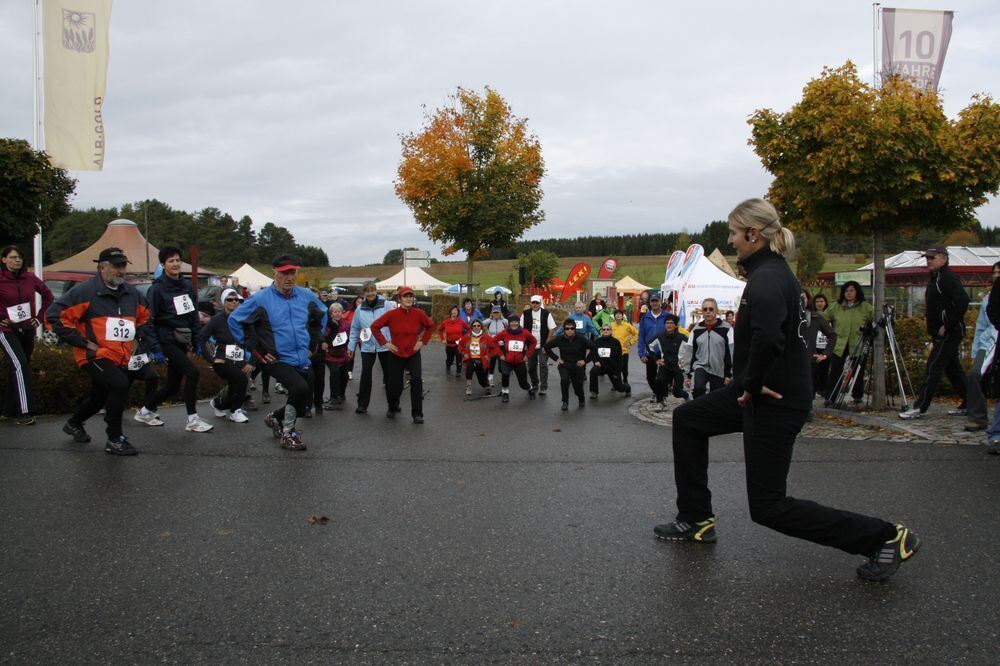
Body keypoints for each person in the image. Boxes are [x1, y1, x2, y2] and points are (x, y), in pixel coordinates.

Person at [655, 198, 919, 583]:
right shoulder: (773, 273)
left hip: (773, 400)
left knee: (768, 507)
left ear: (753, 234)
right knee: (689, 418)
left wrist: (752, 382)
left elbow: (768, 338)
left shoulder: (765, 279)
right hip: (761, 392)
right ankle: (695, 518)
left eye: (733, 233)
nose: (730, 241)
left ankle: (886, 537)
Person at [46, 247, 156, 455]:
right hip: (93, 355)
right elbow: (55, 315)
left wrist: (138, 338)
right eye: (116, 266)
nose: (121, 270)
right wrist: (82, 342)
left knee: (99, 397)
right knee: (119, 384)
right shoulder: (85, 291)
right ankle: (115, 439)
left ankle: (74, 423)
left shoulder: (131, 293)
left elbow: (145, 319)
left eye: (123, 266)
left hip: (120, 356)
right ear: (102, 268)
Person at [228, 254, 327, 450]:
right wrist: (256, 349)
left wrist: (313, 344)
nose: (289, 277)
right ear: (274, 272)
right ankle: (288, 434)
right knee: (298, 388)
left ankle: (275, 418)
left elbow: (321, 317)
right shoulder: (260, 299)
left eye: (293, 272)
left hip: (301, 357)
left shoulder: (306, 295)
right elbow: (234, 320)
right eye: (284, 273)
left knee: (304, 401)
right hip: (276, 358)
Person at [134, 247, 213, 433]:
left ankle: (145, 411)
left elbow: (192, 315)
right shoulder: (157, 289)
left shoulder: (186, 286)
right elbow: (149, 321)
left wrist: (197, 340)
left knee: (172, 386)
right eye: (171, 261)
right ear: (163, 265)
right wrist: (156, 348)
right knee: (192, 372)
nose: (175, 264)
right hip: (165, 339)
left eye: (177, 260)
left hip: (181, 339)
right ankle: (192, 419)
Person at [899, 247, 971, 420]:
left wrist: (948, 324)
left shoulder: (947, 277)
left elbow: (963, 300)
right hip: (940, 332)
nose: (928, 260)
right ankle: (971, 401)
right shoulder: (936, 278)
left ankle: (919, 407)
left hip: (949, 333)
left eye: (932, 257)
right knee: (953, 369)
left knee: (933, 367)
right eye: (927, 257)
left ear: (944, 259)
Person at [0, 245, 53, 425]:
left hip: (26, 329)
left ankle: (8, 410)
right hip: (6, 331)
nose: (17, 260)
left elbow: (48, 297)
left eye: (20, 257)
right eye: (13, 257)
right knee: (20, 365)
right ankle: (25, 412)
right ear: (4, 260)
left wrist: (38, 319)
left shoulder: (29, 278)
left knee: (18, 368)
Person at [370, 285, 435, 424]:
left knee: (416, 381)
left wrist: (422, 342)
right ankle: (392, 406)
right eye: (405, 296)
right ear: (400, 299)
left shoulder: (418, 314)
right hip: (396, 353)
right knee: (394, 385)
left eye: (410, 296)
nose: (408, 298)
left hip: (413, 353)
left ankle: (417, 414)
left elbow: (430, 325)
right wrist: (385, 343)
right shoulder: (392, 314)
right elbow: (374, 327)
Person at [196, 288, 251, 423]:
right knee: (240, 379)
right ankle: (235, 411)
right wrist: (211, 359)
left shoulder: (244, 319)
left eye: (236, 300)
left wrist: (252, 362)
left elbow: (255, 339)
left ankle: (218, 403)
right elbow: (201, 338)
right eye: (229, 300)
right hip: (222, 359)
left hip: (239, 359)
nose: (233, 302)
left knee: (236, 384)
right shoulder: (216, 320)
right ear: (223, 302)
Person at [823, 280, 874, 406]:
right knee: (836, 369)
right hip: (839, 342)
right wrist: (830, 332)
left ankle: (857, 395)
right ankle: (831, 396)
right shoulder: (836, 306)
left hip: (857, 341)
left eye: (851, 290)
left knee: (857, 369)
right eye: (846, 291)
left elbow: (875, 319)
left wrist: (869, 330)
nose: (848, 293)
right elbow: (823, 319)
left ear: (857, 292)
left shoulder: (865, 306)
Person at [347, 281, 395, 415]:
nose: (370, 293)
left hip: (385, 345)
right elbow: (355, 329)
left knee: (389, 376)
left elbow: (394, 323)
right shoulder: (359, 309)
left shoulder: (386, 305)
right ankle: (362, 405)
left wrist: (394, 341)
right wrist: (351, 347)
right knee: (365, 375)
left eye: (372, 290)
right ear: (364, 293)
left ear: (376, 291)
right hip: (367, 346)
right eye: (367, 291)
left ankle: (393, 405)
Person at [964, 263, 1000, 433]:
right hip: (990, 342)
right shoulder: (988, 299)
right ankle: (978, 417)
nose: (997, 275)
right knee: (975, 374)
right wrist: (976, 349)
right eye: (995, 272)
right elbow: (981, 326)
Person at [684, 298, 732, 399]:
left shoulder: (727, 329)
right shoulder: (696, 330)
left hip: (719, 368)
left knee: (717, 396)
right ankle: (699, 412)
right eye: (705, 309)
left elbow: (732, 352)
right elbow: (689, 352)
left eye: (711, 309)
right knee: (698, 389)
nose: (708, 312)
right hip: (700, 366)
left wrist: (729, 373)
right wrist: (687, 374)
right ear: (702, 311)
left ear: (716, 311)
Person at [544, 319, 596, 411]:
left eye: (572, 328)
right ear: (564, 329)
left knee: (577, 385)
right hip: (564, 364)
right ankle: (565, 402)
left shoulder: (581, 339)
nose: (569, 330)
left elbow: (594, 348)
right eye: (567, 328)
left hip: (578, 366)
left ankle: (581, 398)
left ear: (575, 329)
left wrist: (585, 361)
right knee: (564, 380)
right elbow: (547, 347)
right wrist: (556, 358)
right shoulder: (560, 339)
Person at [493, 313, 537, 402]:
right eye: (512, 322)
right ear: (509, 323)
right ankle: (505, 393)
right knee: (505, 375)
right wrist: (500, 354)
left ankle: (530, 389)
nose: (514, 324)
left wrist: (527, 355)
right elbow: (493, 341)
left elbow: (534, 342)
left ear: (519, 323)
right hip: (507, 360)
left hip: (519, 361)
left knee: (523, 384)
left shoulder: (525, 332)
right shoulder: (504, 332)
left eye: (516, 322)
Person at [802, 291, 837, 402]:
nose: (802, 300)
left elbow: (832, 335)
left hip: (810, 358)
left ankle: (807, 411)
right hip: (791, 358)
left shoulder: (815, 317)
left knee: (809, 387)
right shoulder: (788, 315)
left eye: (804, 297)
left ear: (808, 300)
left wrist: (825, 354)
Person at [521, 295, 557, 395]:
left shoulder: (546, 314)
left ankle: (543, 387)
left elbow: (552, 329)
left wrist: (547, 344)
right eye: (533, 303)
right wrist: (524, 343)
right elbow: (521, 330)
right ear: (531, 303)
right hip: (530, 346)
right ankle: (535, 383)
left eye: (537, 303)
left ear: (540, 303)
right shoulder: (525, 314)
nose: (535, 304)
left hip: (542, 345)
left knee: (543, 365)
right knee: (531, 366)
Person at [637, 294, 669, 404]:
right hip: (649, 352)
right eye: (652, 301)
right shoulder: (645, 317)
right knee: (650, 377)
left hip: (664, 351)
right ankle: (657, 392)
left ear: (660, 302)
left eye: (656, 301)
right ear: (649, 303)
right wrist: (641, 353)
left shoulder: (667, 316)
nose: (654, 303)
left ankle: (662, 395)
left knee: (663, 377)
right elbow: (641, 335)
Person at [321, 302, 352, 411]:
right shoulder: (327, 325)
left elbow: (351, 337)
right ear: (331, 314)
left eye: (339, 311)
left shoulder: (347, 324)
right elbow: (323, 337)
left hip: (343, 354)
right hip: (330, 354)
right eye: (335, 312)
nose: (337, 314)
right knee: (334, 374)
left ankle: (341, 394)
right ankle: (333, 397)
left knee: (344, 375)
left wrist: (351, 348)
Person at [653, 314, 689, 402]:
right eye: (667, 323)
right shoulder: (660, 336)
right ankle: (660, 402)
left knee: (676, 392)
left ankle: (686, 396)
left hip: (678, 367)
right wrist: (656, 359)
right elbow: (648, 345)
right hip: (665, 365)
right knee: (659, 381)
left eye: (672, 323)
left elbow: (692, 349)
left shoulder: (682, 337)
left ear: (676, 325)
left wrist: (686, 362)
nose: (669, 325)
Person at [459, 318, 498, 397]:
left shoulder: (486, 337)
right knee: (469, 368)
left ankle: (486, 385)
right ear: (472, 327)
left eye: (478, 325)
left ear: (481, 327)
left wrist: (489, 356)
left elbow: (495, 348)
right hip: (470, 358)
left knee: (481, 379)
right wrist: (463, 353)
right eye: (474, 326)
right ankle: (469, 387)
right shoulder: (467, 336)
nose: (476, 327)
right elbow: (460, 345)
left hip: (482, 360)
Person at [589, 323, 629, 398]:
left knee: (619, 388)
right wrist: (596, 361)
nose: (606, 331)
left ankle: (627, 388)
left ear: (611, 331)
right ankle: (594, 392)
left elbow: (619, 359)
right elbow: (592, 354)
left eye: (608, 329)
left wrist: (617, 372)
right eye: (604, 329)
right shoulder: (597, 342)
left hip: (612, 368)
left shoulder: (616, 342)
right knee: (593, 371)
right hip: (601, 366)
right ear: (601, 331)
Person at [810, 293, 834, 396]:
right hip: (814, 347)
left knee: (824, 369)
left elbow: (833, 332)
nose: (819, 303)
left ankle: (823, 389)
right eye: (817, 301)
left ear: (825, 302)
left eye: (821, 301)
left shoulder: (830, 316)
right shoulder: (811, 315)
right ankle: (814, 390)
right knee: (814, 370)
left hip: (826, 347)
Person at [437, 305, 469, 376]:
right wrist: (442, 339)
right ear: (450, 312)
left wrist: (465, 338)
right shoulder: (446, 322)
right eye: (453, 310)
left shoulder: (461, 321)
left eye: (456, 310)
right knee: (450, 360)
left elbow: (469, 329)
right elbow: (439, 330)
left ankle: (458, 372)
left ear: (458, 313)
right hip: (449, 344)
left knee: (459, 358)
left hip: (459, 344)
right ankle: (448, 365)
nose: (454, 312)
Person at [610, 309, 638, 387]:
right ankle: (616, 383)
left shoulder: (627, 325)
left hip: (624, 351)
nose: (618, 315)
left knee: (624, 368)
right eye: (616, 314)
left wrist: (630, 342)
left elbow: (636, 334)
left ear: (622, 316)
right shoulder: (611, 325)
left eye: (620, 314)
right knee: (614, 368)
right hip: (613, 351)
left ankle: (625, 380)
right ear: (614, 316)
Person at [484, 305, 508, 386]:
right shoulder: (490, 321)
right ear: (492, 313)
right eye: (494, 313)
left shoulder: (504, 321)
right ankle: (490, 378)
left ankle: (502, 376)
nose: (496, 314)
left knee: (502, 363)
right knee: (492, 363)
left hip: (502, 345)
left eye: (497, 312)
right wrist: (490, 318)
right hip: (492, 346)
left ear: (500, 313)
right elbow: (481, 324)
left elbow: (512, 326)